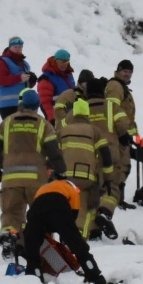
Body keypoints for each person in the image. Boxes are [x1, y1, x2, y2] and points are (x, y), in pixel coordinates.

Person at [0, 89, 67, 258]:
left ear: (20, 104)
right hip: (37, 182)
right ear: (37, 106)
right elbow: (54, 151)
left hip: (11, 180)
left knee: (11, 214)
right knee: (41, 215)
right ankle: (43, 251)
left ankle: (11, 237)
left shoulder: (7, 123)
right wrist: (61, 172)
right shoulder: (44, 125)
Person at [21, 179, 108, 284]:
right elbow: (73, 215)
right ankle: (95, 277)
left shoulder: (43, 188)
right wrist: (66, 236)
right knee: (79, 247)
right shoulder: (72, 189)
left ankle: (34, 276)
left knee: (32, 248)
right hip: (59, 207)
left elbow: (35, 212)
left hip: (36, 212)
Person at [55, 97, 113, 237]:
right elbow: (106, 156)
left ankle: (66, 235)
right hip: (86, 178)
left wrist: (55, 175)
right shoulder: (94, 131)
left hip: (66, 178)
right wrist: (108, 179)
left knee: (67, 207)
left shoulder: (63, 130)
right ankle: (79, 236)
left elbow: (54, 154)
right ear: (87, 114)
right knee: (87, 209)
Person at [85, 77, 130, 239]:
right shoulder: (111, 107)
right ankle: (105, 212)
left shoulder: (82, 109)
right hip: (110, 154)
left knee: (92, 194)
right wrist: (124, 137)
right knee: (112, 189)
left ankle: (93, 231)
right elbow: (124, 124)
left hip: (89, 155)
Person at [106, 61, 141, 204]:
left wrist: (134, 137)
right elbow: (112, 110)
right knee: (120, 167)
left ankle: (117, 199)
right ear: (118, 71)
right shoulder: (115, 86)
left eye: (129, 72)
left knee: (124, 167)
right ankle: (113, 200)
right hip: (117, 135)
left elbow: (128, 117)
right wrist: (121, 134)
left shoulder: (122, 87)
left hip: (123, 136)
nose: (127, 74)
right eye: (124, 71)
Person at [0, 36, 36, 119]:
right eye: (15, 47)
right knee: (13, 131)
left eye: (20, 47)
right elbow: (1, 80)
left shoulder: (25, 64)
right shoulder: (2, 62)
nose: (17, 49)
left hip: (24, 104)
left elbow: (25, 85)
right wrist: (19, 78)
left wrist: (32, 80)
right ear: (10, 47)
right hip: (8, 104)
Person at [38, 50, 75, 123]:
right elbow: (45, 101)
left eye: (67, 61)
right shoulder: (47, 78)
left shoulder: (68, 75)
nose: (65, 64)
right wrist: (52, 118)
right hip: (57, 117)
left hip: (70, 116)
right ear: (56, 61)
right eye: (62, 61)